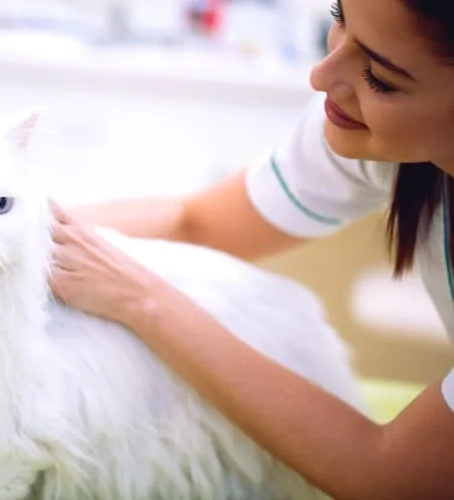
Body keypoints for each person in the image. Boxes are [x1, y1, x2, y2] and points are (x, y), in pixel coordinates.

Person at [47, 0, 454, 498]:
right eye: (339, 15)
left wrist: (142, 300)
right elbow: (197, 223)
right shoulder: (361, 126)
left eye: (380, 78)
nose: (321, 76)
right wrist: (20, 237)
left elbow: (386, 475)